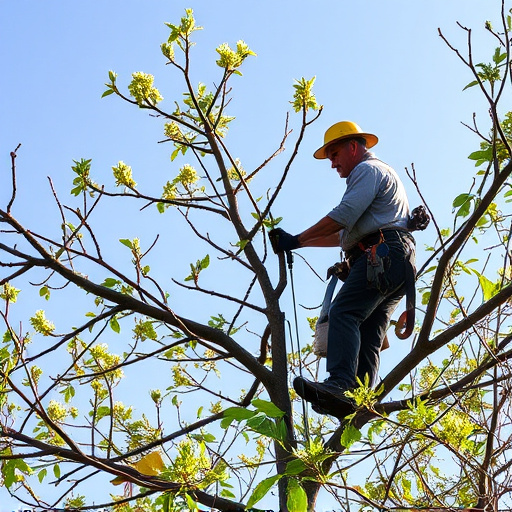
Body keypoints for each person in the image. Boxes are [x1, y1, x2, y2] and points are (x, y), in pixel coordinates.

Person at [269, 120, 416, 418]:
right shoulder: (380, 176)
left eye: (334, 154)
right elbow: (342, 235)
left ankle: (340, 384)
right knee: (369, 331)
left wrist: (296, 238)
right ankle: (356, 399)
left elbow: (344, 216)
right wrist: (297, 244)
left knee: (344, 313)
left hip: (382, 255)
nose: (332, 163)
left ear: (353, 146)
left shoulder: (367, 170)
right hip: (397, 260)